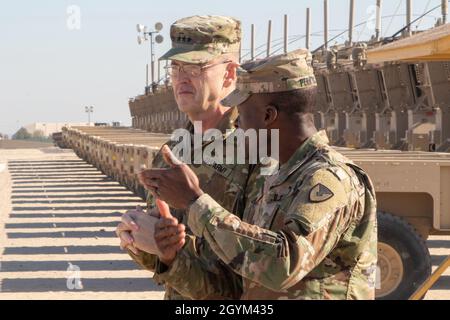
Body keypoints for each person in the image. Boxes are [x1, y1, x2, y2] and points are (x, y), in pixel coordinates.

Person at [143, 48, 378, 300]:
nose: (237, 125)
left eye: (242, 114)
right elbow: (236, 286)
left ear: (268, 116)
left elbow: (282, 266)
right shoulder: (271, 179)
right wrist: (171, 255)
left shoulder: (329, 179)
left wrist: (195, 201)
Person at [115, 15, 255, 300]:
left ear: (229, 74)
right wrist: (137, 239)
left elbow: (258, 273)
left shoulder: (257, 150)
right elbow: (166, 261)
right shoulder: (173, 152)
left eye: (196, 67)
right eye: (176, 67)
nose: (181, 78)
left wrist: (173, 255)